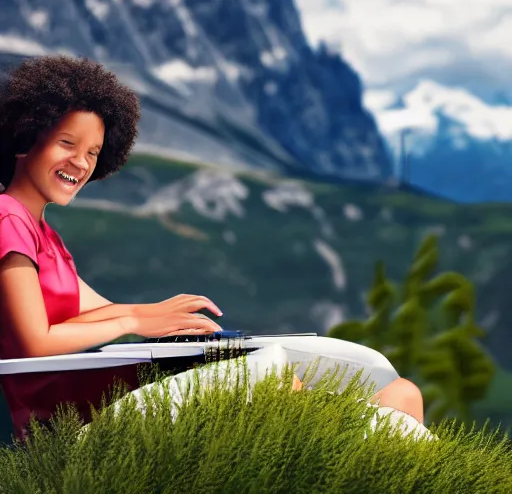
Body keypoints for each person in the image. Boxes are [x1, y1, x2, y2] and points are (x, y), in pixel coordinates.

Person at [0, 55, 425, 443]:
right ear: (25, 136)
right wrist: (136, 317)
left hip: (93, 405)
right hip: (61, 428)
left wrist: (168, 319)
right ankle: (368, 451)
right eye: (66, 143)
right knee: (272, 370)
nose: (82, 162)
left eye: (93, 152)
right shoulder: (8, 218)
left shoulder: (41, 231)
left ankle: (375, 450)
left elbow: (93, 309)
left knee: (401, 393)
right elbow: (35, 341)